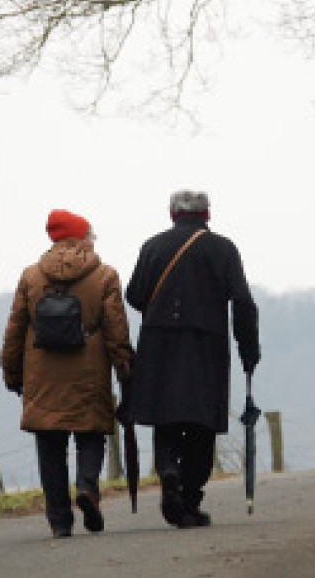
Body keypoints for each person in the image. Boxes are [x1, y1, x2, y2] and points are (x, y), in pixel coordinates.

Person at [125, 190, 260, 528]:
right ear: (207, 215)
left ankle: (169, 469)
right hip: (206, 345)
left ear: (171, 213)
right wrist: (249, 349)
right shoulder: (223, 249)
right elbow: (242, 301)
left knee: (166, 417)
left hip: (159, 345)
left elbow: (135, 295)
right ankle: (189, 498)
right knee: (201, 423)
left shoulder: (153, 246)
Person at [1, 209, 134, 538]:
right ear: (82, 237)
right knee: (91, 435)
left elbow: (15, 330)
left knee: (50, 446)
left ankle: (60, 520)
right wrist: (126, 370)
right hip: (89, 370)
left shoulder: (31, 276)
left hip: (41, 373)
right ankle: (87, 488)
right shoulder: (104, 276)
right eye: (91, 234)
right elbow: (116, 331)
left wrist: (11, 373)